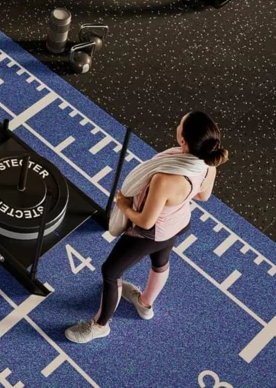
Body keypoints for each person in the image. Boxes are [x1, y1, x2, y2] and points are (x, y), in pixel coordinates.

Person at [64, 111, 229, 344]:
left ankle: (100, 325)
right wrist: (179, 198)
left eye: (180, 123)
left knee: (110, 272)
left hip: (152, 233)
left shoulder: (165, 179)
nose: (177, 124)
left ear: (183, 140)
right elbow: (204, 195)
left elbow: (145, 221)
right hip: (178, 222)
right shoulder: (207, 163)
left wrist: (123, 204)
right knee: (160, 262)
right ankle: (145, 305)